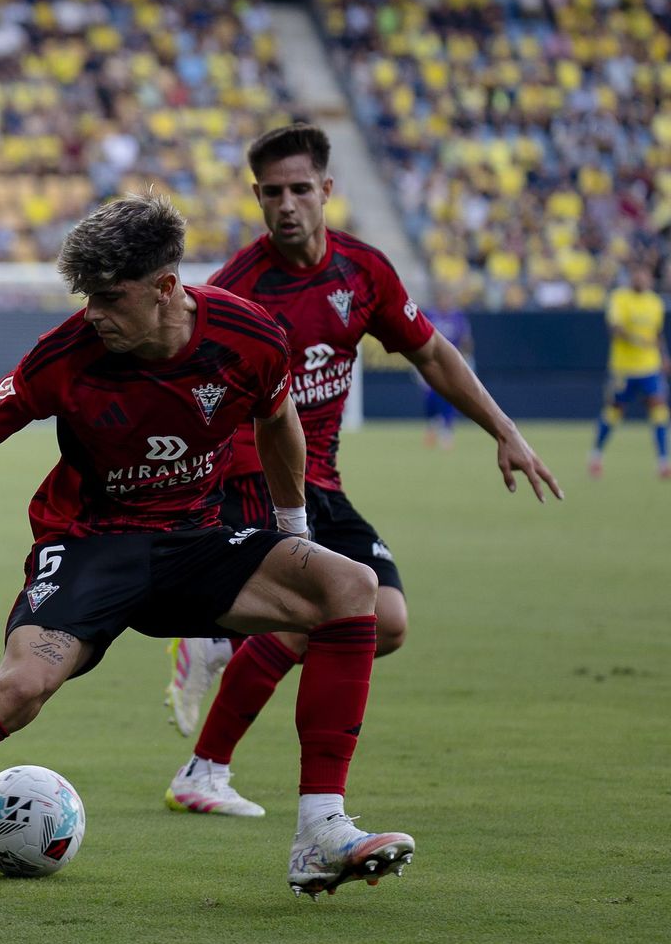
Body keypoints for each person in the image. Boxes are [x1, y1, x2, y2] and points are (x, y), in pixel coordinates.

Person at [0, 193, 414, 918]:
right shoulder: (67, 356)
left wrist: (293, 530)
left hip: (196, 543)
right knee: (19, 687)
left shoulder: (249, 336)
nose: (95, 314)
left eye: (111, 297)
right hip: (88, 546)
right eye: (86, 297)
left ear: (167, 286)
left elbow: (279, 424)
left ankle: (320, 831)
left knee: (350, 585)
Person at [159, 124, 561, 819]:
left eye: (300, 189)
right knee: (321, 610)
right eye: (273, 192)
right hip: (258, 478)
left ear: (327, 191)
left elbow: (431, 354)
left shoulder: (362, 270)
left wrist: (506, 430)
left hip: (323, 481)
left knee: (390, 621)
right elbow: (191, 394)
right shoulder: (237, 289)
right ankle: (210, 760)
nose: (287, 204)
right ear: (256, 196)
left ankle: (221, 654)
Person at [588, 267, 668, 480]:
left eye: (644, 275)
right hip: (623, 369)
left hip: (649, 367)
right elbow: (614, 329)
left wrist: (664, 356)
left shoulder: (655, 302)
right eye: (637, 274)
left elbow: (657, 334)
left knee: (659, 408)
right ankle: (596, 456)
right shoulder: (619, 298)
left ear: (650, 279)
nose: (640, 277)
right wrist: (637, 339)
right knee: (614, 411)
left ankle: (663, 462)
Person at [422, 289, 473, 450]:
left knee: (450, 397)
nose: (445, 302)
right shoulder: (430, 315)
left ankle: (447, 432)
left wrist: (466, 360)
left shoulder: (458, 317)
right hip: (431, 362)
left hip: (451, 364)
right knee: (430, 397)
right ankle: (432, 424)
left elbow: (466, 341)